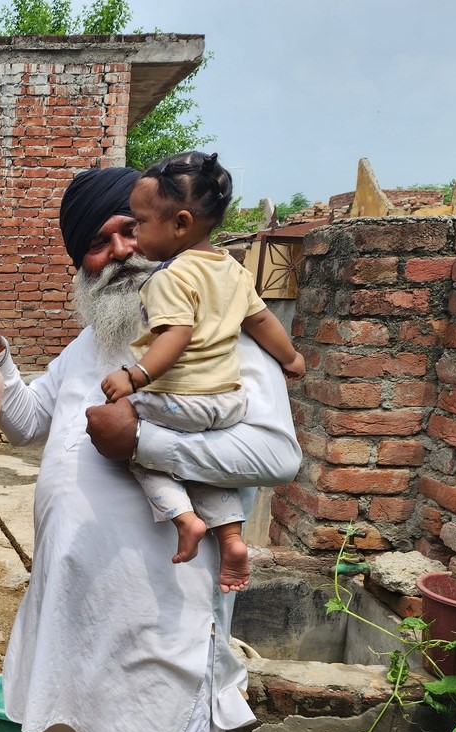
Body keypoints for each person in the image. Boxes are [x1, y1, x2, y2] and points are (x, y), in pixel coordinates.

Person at [0, 164, 301, 732]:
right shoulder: (94, 340)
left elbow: (278, 453)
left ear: (166, 231)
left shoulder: (219, 327)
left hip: (159, 612)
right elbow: (25, 419)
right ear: (78, 262)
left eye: (128, 228)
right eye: (96, 241)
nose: (118, 250)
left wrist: (146, 444)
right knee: (59, 724)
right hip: (68, 595)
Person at [98, 151, 305, 595]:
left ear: (180, 224)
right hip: (227, 401)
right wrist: (291, 358)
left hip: (179, 398)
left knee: (130, 442)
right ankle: (231, 537)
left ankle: (185, 518)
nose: (134, 234)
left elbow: (176, 335)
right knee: (201, 466)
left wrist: (134, 378)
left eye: (140, 222)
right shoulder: (232, 269)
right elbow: (263, 320)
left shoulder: (167, 278)